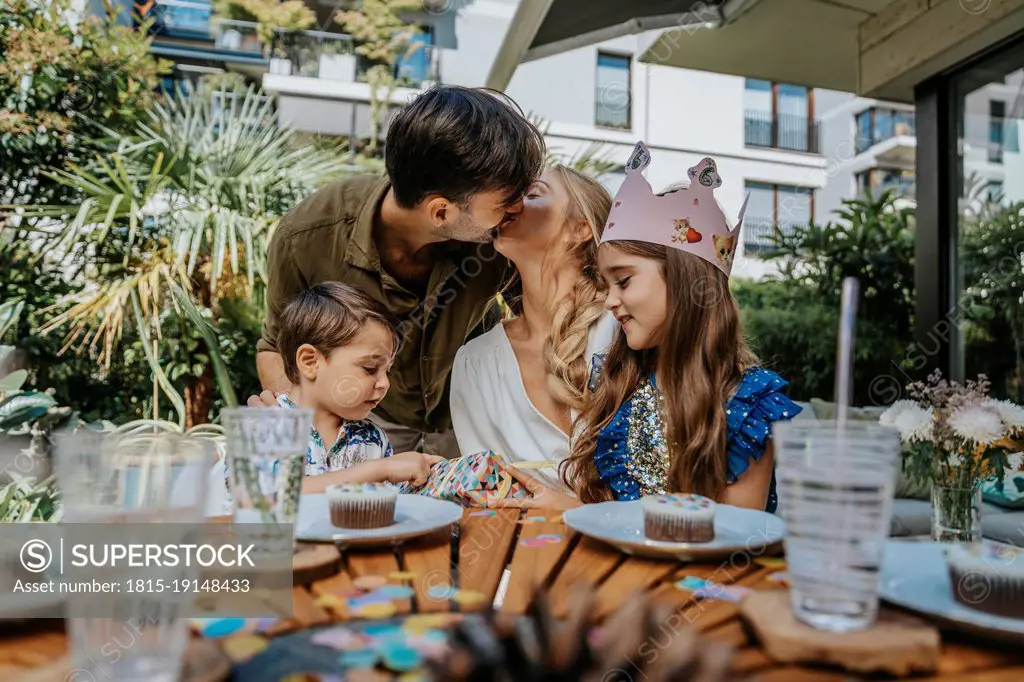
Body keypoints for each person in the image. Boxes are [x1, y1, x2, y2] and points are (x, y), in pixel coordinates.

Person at [486, 143, 802, 512]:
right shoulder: (619, 383)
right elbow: (607, 507)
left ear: (683, 283)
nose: (609, 300)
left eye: (624, 281)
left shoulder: (746, 404)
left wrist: (582, 512)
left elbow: (733, 536)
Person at [251, 85, 546, 459]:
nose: (516, 210)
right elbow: (277, 348)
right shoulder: (306, 237)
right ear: (441, 213)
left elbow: (549, 317)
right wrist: (308, 443)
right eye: (505, 203)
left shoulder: (501, 235)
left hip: (472, 413)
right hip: (367, 423)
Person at [208, 283, 444, 513]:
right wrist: (375, 471)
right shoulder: (263, 425)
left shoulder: (374, 439)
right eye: (370, 368)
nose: (384, 383)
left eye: (388, 370)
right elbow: (257, 503)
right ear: (310, 362)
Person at [449, 165, 617, 485]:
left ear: (578, 230)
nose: (512, 202)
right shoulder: (476, 363)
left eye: (534, 194)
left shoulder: (622, 331)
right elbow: (489, 494)